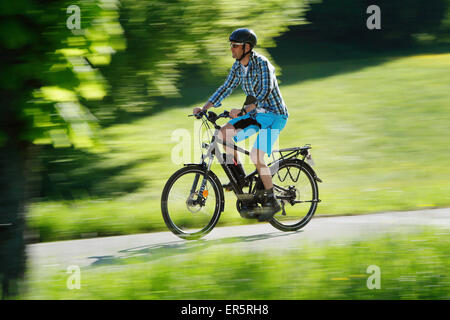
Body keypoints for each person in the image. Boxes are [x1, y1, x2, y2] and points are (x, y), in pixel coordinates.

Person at [193, 28, 288, 221]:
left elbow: (264, 91)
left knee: (255, 155)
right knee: (223, 134)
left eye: (235, 46)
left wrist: (243, 110)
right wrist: (205, 107)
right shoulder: (238, 67)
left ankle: (272, 201)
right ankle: (240, 178)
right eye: (231, 45)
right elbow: (226, 87)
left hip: (274, 115)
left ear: (247, 47)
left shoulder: (262, 64)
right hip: (255, 115)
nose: (231, 49)